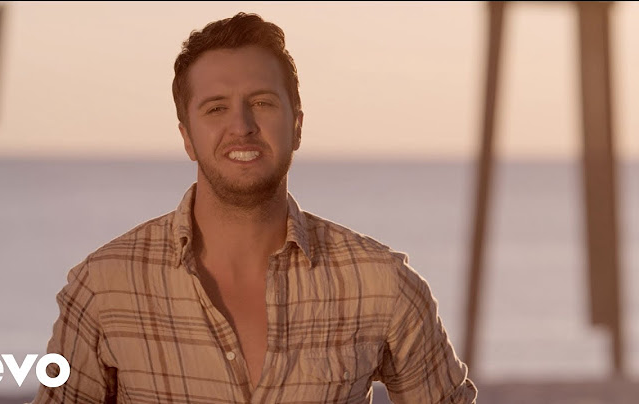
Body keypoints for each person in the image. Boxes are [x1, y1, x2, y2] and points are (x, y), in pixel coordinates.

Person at [32, 12, 477, 404]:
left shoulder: (381, 284)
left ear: (297, 126)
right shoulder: (105, 286)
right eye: (216, 109)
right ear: (187, 137)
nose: (241, 126)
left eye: (262, 103)